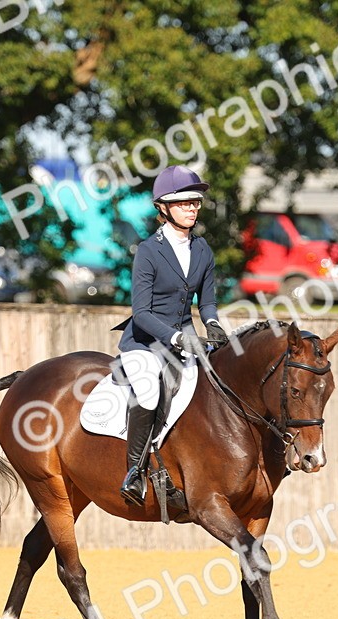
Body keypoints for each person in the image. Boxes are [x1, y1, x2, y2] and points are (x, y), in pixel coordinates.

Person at [112, 165, 229, 505]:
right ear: (163, 208)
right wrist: (176, 339)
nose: (192, 208)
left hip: (187, 339)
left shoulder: (203, 249)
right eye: (184, 203)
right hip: (145, 343)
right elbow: (142, 313)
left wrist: (213, 324)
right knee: (149, 392)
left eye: (195, 202)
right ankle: (135, 473)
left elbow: (206, 302)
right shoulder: (149, 251)